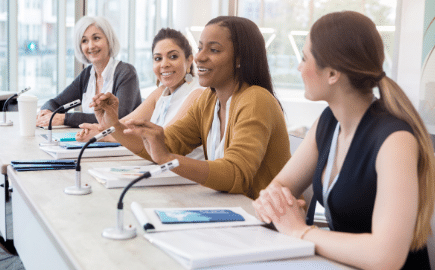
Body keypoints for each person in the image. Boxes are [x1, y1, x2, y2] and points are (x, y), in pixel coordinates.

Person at [252, 11, 435, 269]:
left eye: (305, 58)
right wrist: (273, 203)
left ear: (332, 73)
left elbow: (387, 256)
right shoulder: (328, 122)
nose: (299, 67)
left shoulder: (395, 139)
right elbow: (280, 187)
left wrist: (300, 231)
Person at [90, 16, 290, 199]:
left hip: (266, 225)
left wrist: (168, 158)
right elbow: (165, 144)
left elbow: (236, 174)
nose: (200, 57)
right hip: (231, 212)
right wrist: (113, 124)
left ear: (240, 59)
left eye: (213, 50)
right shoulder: (208, 100)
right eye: (200, 47)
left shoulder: (255, 100)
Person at [76, 28, 205, 159]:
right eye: (158, 58)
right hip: (163, 170)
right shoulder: (161, 92)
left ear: (189, 60)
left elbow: (163, 143)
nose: (164, 64)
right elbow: (125, 125)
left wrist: (104, 135)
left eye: (173, 56)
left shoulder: (197, 94)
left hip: (183, 175)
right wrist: (100, 128)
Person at [36, 16, 141, 128]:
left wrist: (64, 118)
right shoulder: (87, 75)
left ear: (109, 41)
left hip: (124, 144)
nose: (91, 46)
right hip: (95, 141)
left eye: (96, 38)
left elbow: (118, 117)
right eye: (84, 41)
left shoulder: (126, 73)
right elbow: (55, 103)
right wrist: (46, 112)